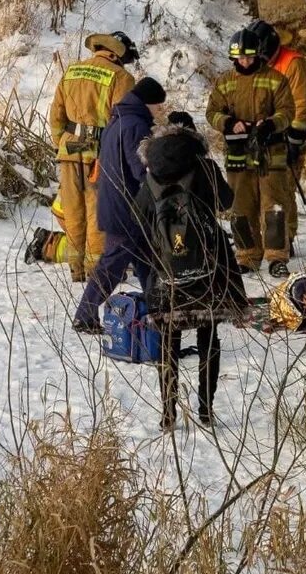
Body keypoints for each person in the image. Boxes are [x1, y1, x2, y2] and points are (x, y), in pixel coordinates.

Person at [136, 115, 247, 430]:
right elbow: (227, 201)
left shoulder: (151, 176)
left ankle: (168, 413)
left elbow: (138, 215)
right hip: (207, 269)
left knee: (168, 343)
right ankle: (206, 411)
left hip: (166, 271)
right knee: (208, 338)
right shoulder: (205, 168)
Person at [72, 76, 166, 332]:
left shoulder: (118, 120)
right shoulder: (136, 125)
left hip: (119, 204)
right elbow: (140, 169)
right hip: (127, 209)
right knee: (111, 266)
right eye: (158, 107)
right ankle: (84, 315)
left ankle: (158, 314)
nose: (159, 113)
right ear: (148, 103)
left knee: (149, 261)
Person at [49, 31, 139, 284]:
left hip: (69, 151)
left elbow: (56, 116)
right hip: (100, 155)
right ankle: (98, 271)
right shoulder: (121, 77)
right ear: (117, 53)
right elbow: (124, 122)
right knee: (97, 212)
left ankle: (76, 268)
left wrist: (62, 145)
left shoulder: (72, 71)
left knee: (73, 210)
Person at [206, 28, 295, 278]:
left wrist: (270, 124)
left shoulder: (276, 79)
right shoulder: (225, 81)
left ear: (258, 55)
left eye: (249, 57)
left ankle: (277, 257)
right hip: (238, 155)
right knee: (240, 208)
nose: (244, 62)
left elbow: (287, 111)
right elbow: (211, 112)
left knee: (274, 207)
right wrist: (227, 122)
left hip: (271, 155)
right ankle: (246, 255)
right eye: (240, 58)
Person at [247, 19, 306, 255]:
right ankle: (265, 236)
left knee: (283, 189)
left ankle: (285, 237)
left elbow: (302, 104)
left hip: (287, 138)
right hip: (260, 137)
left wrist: (294, 140)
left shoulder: (292, 63)